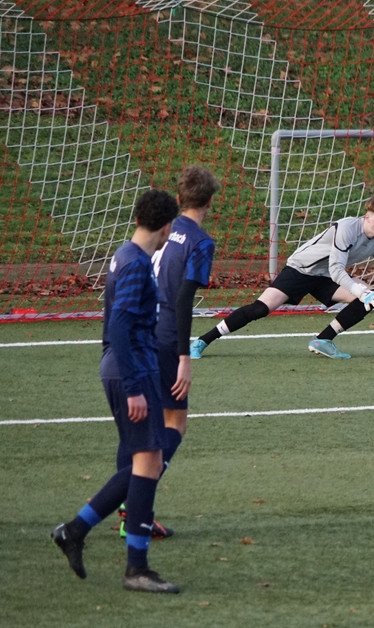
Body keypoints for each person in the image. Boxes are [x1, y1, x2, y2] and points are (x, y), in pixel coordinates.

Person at [51, 189, 182, 593]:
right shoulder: (136, 264)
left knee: (148, 461)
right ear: (166, 227)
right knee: (147, 462)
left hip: (131, 368)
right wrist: (133, 387)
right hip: (131, 372)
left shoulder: (126, 254)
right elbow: (121, 326)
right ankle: (134, 568)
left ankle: (76, 531)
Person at [189, 195, 374, 360]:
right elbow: (337, 269)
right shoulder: (348, 228)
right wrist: (359, 289)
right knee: (260, 309)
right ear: (367, 217)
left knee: (370, 298)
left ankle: (323, 340)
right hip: (301, 269)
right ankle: (202, 341)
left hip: (325, 276)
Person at [114, 167, 221, 540]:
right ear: (210, 202)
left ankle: (134, 510)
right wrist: (184, 356)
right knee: (174, 424)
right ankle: (133, 506)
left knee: (144, 426)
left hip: (143, 332)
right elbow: (184, 299)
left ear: (179, 199)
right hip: (167, 338)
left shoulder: (165, 228)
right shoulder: (201, 241)